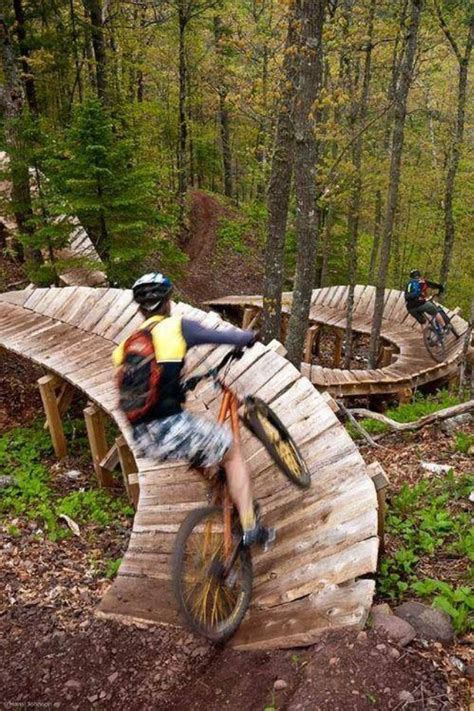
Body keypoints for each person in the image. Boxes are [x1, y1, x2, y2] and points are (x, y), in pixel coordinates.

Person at [112, 272, 273, 547]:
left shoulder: (126, 346)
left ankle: (222, 493)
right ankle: (251, 527)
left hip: (142, 436)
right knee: (232, 452)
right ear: (168, 301)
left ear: (139, 309)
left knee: (201, 451)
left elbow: (140, 386)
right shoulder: (177, 327)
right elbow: (222, 335)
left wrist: (176, 386)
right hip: (170, 426)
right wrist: (249, 337)